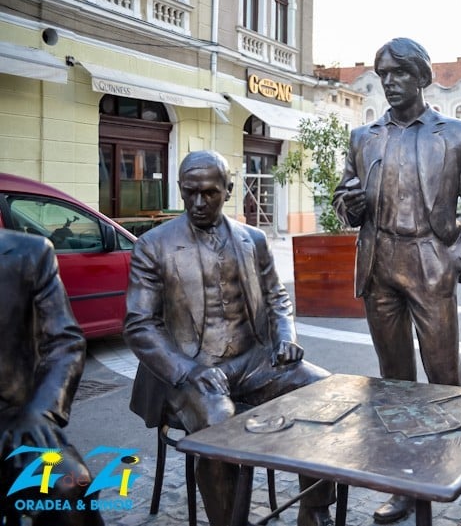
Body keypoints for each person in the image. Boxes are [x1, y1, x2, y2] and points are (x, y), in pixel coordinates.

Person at [332, 37, 461, 525]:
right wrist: (350, 206)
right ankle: (404, 485)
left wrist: (458, 261)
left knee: (446, 380)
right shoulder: (364, 137)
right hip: (379, 262)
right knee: (395, 383)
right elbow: (344, 200)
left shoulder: (457, 134)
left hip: (430, 260)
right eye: (383, 74)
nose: (389, 83)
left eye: (399, 73)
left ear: (422, 77)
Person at [124, 150, 336, 526]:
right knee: (220, 421)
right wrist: (188, 370)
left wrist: (286, 335)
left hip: (253, 362)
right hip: (190, 371)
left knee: (322, 390)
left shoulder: (252, 239)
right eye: (189, 192)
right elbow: (139, 325)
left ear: (229, 190)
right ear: (180, 189)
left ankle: (314, 509)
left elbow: (276, 297)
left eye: (209, 193)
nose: (198, 202)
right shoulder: (153, 246)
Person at [0, 229, 104, 526]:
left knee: (71, 483)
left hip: (12, 422)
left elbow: (64, 342)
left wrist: (40, 410)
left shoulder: (29, 252)